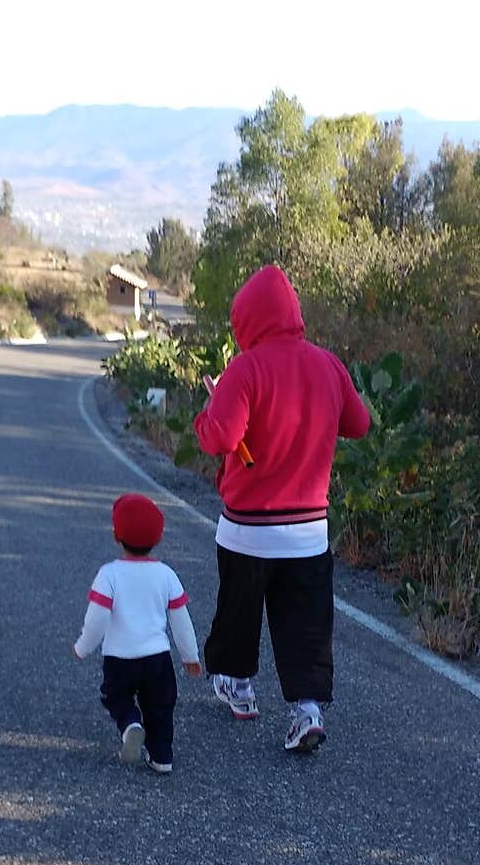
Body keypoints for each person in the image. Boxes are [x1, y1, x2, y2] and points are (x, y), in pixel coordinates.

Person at [194, 264, 370, 752]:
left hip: (248, 528)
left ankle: (239, 687)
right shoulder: (328, 364)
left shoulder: (245, 367)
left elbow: (222, 437)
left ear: (246, 320)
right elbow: (359, 425)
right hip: (310, 530)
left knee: (239, 612)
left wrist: (205, 418)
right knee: (306, 622)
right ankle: (306, 710)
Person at [73, 492, 202, 773]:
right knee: (160, 706)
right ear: (159, 538)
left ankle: (130, 723)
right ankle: (161, 757)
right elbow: (180, 619)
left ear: (116, 535)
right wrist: (190, 656)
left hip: (119, 657)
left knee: (116, 696)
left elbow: (97, 620)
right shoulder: (166, 574)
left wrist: (83, 646)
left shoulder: (109, 574)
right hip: (157, 658)